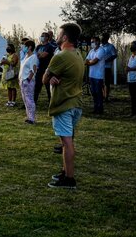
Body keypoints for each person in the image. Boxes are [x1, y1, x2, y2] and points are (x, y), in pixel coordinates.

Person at [43, 23, 84, 189]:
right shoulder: (77, 54)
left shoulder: (61, 56)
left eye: (60, 34)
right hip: (76, 103)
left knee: (66, 143)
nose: (57, 36)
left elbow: (44, 79)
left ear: (65, 37)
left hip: (64, 104)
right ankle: (65, 170)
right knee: (69, 140)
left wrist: (50, 77)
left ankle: (69, 179)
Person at [84, 37, 106, 114]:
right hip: (91, 75)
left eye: (93, 41)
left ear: (98, 42)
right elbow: (86, 60)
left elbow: (94, 61)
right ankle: (95, 108)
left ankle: (100, 109)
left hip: (98, 76)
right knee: (93, 93)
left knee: (98, 92)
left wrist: (89, 62)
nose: (92, 43)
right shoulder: (91, 51)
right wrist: (89, 62)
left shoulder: (101, 50)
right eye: (91, 41)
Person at [19, 40, 38, 124]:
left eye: (24, 46)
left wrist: (28, 80)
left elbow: (33, 69)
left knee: (29, 99)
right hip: (22, 81)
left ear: (29, 47)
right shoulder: (26, 56)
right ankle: (29, 116)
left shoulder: (33, 57)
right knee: (25, 100)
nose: (23, 47)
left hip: (28, 81)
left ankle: (32, 118)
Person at [34, 32, 55, 104]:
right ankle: (34, 102)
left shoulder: (49, 46)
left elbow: (43, 55)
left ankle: (51, 103)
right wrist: (39, 55)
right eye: (41, 36)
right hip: (39, 69)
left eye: (43, 36)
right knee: (37, 87)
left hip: (47, 69)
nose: (41, 37)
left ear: (47, 38)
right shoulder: (38, 46)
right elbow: (35, 56)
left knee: (48, 87)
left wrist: (38, 55)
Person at [100, 33, 117, 102]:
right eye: (101, 37)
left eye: (103, 37)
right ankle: (102, 96)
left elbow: (115, 55)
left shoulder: (111, 46)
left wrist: (107, 60)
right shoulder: (100, 46)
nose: (101, 39)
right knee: (100, 82)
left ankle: (106, 97)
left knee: (106, 83)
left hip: (107, 67)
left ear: (106, 38)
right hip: (100, 67)